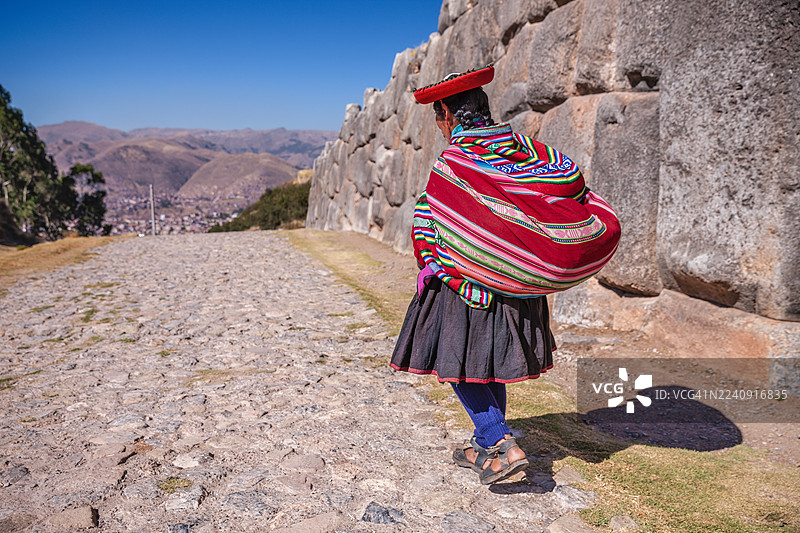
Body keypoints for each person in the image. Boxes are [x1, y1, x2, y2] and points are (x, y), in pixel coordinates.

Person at [390, 65, 620, 485]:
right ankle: (482, 444)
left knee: (459, 362)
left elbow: (437, 218)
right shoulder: (534, 154)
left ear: (447, 113)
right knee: (487, 365)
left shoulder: (454, 162)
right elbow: (562, 189)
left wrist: (435, 259)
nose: (440, 126)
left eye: (438, 117)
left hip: (468, 285)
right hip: (519, 284)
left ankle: (501, 445)